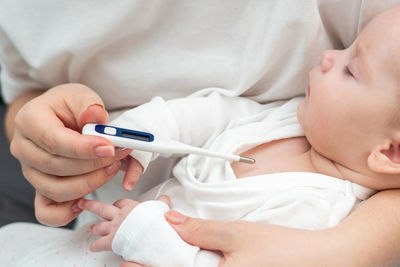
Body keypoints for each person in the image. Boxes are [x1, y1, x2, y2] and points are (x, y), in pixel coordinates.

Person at [1, 1, 400, 266]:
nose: (330, 56)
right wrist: (139, 134)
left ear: (389, 153)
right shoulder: (295, 121)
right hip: (86, 238)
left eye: (350, 68)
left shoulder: (321, 212)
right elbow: (213, 112)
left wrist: (145, 233)